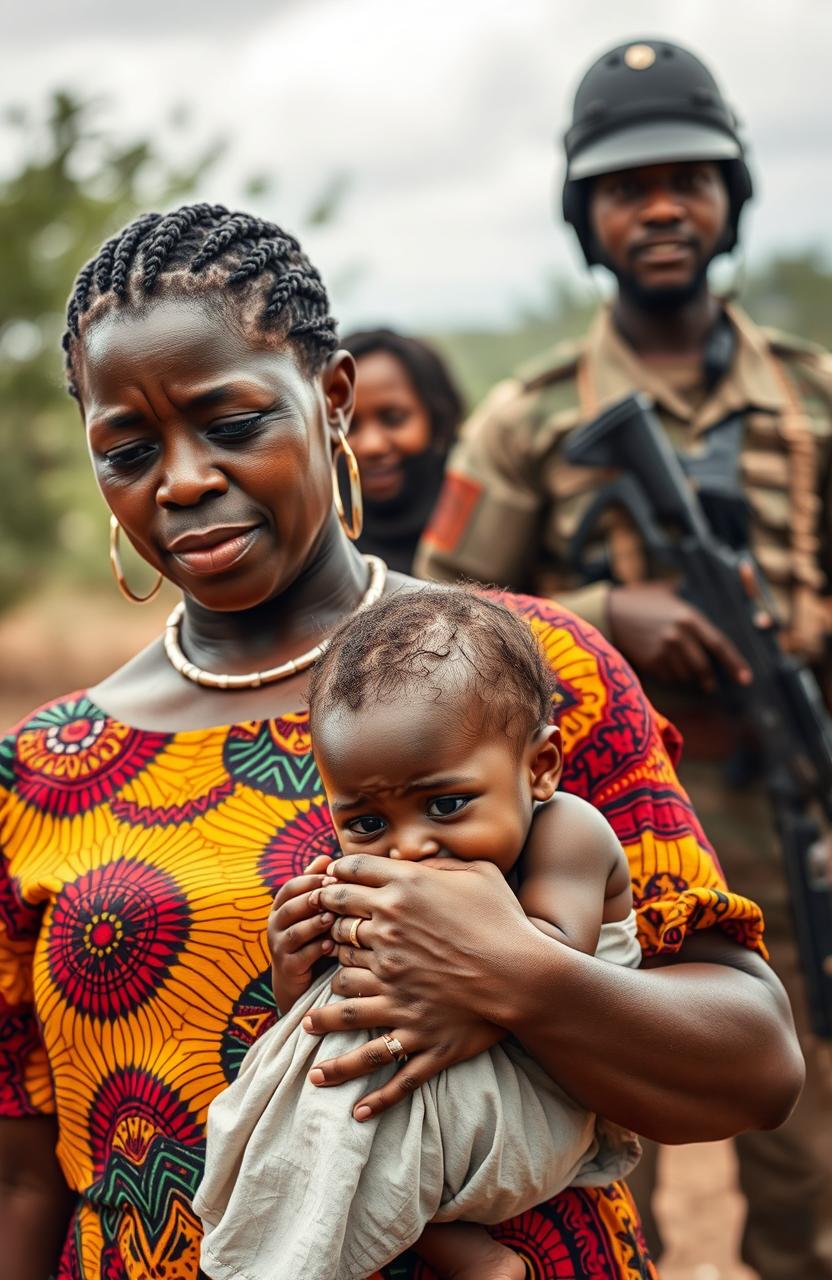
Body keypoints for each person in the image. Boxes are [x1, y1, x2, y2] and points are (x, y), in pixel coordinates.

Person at [0, 202, 802, 1280]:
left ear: (331, 398)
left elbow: (751, 1064)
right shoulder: (41, 771)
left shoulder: (532, 670)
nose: (181, 479)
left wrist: (513, 971)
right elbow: (18, 1174)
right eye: (130, 448)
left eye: (230, 421)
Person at [415, 37, 832, 1279]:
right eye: (625, 184)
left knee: (804, 1148)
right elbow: (427, 625)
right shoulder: (527, 413)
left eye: (688, 178)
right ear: (584, 216)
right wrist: (607, 610)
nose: (660, 206)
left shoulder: (814, 400)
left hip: (784, 798)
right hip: (581, 824)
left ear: (731, 198)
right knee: (567, 1123)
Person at [194, 588, 643, 1280]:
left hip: (541, 1097)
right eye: (367, 823)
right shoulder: (384, 872)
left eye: (445, 804)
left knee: (353, 1082)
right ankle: (471, 1259)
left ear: (539, 768)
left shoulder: (569, 834)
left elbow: (550, 967)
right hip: (451, 1109)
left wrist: (444, 1003)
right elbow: (340, 996)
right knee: (316, 1055)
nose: (407, 848)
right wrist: (298, 966)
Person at [339, 328, 464, 573]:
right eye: (347, 425)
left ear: (437, 419)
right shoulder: (315, 541)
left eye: (393, 419)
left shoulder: (491, 518)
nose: (371, 445)